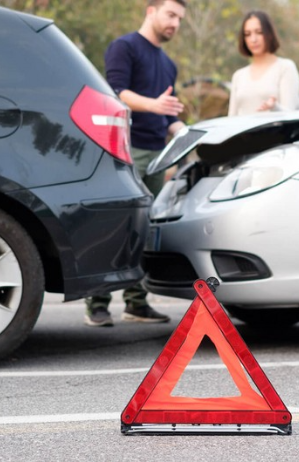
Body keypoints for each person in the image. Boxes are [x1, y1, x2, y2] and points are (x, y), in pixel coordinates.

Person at [85, 0, 187, 327]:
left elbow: (168, 115)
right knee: (115, 226)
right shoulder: (124, 47)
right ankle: (97, 303)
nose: (175, 23)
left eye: (180, 19)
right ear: (151, 10)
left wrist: (186, 133)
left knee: (143, 230)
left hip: (157, 156)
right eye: (171, 15)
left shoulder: (168, 64)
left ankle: (136, 303)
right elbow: (115, 93)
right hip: (123, 151)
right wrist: (155, 106)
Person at [228, 10, 299, 116]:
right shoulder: (239, 76)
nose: (253, 39)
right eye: (247, 34)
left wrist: (274, 107)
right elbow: (231, 119)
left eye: (259, 32)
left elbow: (290, 116)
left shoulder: (285, 68)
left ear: (269, 34)